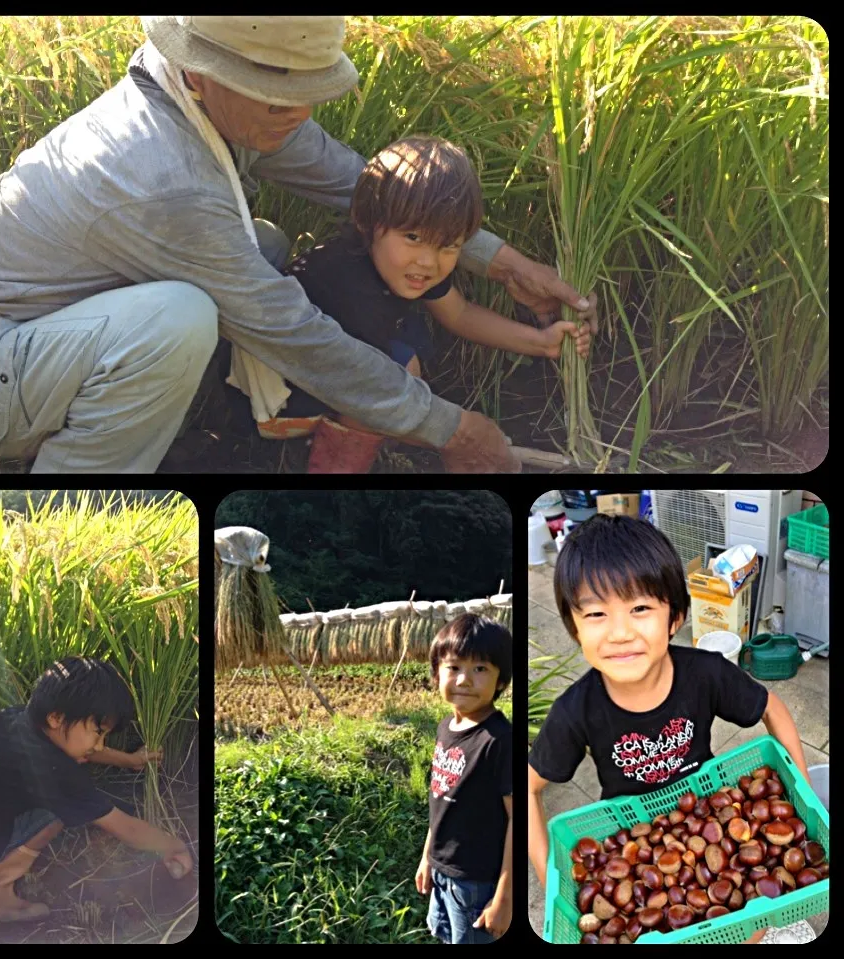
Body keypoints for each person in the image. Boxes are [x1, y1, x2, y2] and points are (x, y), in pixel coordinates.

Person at [0, 16, 598, 474]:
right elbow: (293, 333)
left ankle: (173, 428)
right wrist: (450, 427)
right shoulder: (165, 178)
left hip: (42, 353)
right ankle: (79, 490)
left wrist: (505, 262)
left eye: (305, 90)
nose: (296, 111)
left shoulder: (207, 100)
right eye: (275, 95)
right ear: (202, 72)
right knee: (178, 317)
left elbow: (368, 187)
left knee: (258, 244)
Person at [527, 513, 815, 945]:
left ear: (675, 616)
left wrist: (803, 796)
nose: (620, 632)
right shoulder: (575, 712)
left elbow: (773, 708)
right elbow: (528, 787)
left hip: (708, 807)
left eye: (640, 608)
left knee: (752, 925)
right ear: (573, 626)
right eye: (596, 613)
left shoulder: (707, 674)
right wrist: (554, 887)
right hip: (626, 830)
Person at [277, 134, 594, 471]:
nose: (429, 262)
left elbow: (458, 313)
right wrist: (460, 436)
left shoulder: (407, 264)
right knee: (403, 371)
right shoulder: (349, 286)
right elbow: (374, 389)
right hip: (281, 396)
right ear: (367, 221)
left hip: (338, 366)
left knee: (407, 360)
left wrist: (542, 343)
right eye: (413, 238)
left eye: (450, 246)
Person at [0, 657, 190, 922]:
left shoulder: (20, 718)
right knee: (53, 817)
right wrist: (173, 846)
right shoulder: (55, 774)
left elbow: (85, 750)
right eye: (98, 731)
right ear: (56, 718)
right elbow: (125, 828)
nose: (101, 743)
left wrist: (130, 761)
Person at [416, 614, 513, 943]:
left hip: (476, 883)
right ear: (436, 674)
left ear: (501, 681)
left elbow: (517, 819)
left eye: (480, 669)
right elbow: (440, 798)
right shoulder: (446, 727)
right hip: (443, 872)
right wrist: (428, 858)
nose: (464, 680)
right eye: (454, 667)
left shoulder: (499, 741)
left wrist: (504, 895)